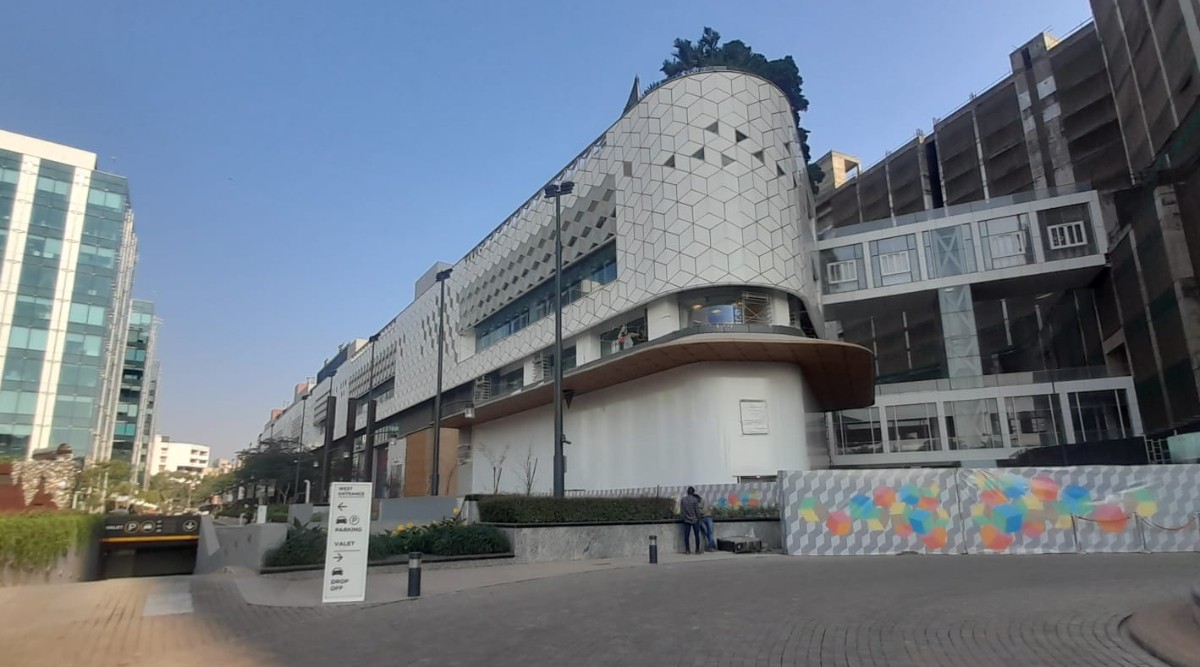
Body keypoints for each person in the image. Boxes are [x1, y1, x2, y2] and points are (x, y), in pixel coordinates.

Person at [680, 486, 703, 554]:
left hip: (686, 519)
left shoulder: (683, 500)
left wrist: (684, 517)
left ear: (687, 492)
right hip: (695, 519)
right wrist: (699, 518)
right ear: (693, 492)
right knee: (697, 535)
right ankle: (697, 550)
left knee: (686, 535)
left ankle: (687, 550)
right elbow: (697, 510)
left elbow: (682, 510)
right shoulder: (695, 500)